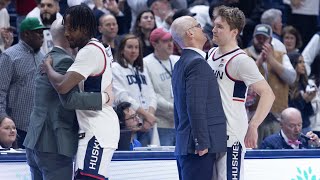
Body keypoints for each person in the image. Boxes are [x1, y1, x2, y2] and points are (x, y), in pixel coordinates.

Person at [23, 18, 111, 180]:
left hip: (36, 140)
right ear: (68, 34)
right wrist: (104, 98)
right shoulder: (65, 61)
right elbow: (69, 100)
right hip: (54, 143)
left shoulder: (46, 57)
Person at [41, 5, 120, 179]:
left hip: (98, 130)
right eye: (66, 29)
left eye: (71, 28)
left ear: (83, 29)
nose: (67, 33)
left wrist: (48, 68)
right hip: (94, 127)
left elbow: (62, 86)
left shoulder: (89, 52)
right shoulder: (95, 47)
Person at [207, 6, 275, 179]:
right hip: (211, 133)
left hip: (232, 135)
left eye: (220, 27)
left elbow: (268, 94)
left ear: (234, 32)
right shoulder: (211, 53)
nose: (214, 30)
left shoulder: (242, 60)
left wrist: (253, 125)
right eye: (214, 25)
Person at [170, 16, 227, 180]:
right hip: (197, 147)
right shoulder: (197, 63)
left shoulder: (181, 63)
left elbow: (179, 108)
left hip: (185, 143)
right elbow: (195, 106)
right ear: (190, 33)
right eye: (198, 26)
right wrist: (201, 141)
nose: (203, 29)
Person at [0, 17, 46, 148]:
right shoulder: (10, 56)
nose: (42, 36)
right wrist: (3, 119)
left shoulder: (43, 57)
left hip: (40, 128)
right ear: (26, 34)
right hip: (17, 129)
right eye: (38, 32)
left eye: (42, 32)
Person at [112, 34, 157, 146]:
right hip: (130, 123)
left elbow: (152, 94)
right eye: (130, 47)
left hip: (147, 123)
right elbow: (122, 97)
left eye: (136, 47)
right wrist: (146, 115)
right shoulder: (115, 68)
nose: (134, 50)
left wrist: (149, 117)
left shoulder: (141, 69)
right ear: (122, 50)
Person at [144, 28, 179, 146]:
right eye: (165, 41)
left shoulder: (178, 60)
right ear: (154, 44)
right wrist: (173, 107)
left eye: (171, 40)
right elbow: (151, 94)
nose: (170, 44)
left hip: (181, 122)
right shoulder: (146, 63)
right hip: (161, 123)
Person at [287, 52, 316, 133]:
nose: (303, 65)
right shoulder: (287, 85)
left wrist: (310, 98)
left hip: (306, 125)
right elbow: (289, 109)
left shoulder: (303, 83)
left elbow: (309, 112)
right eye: (300, 62)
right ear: (293, 64)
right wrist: (303, 99)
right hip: (292, 127)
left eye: (304, 62)